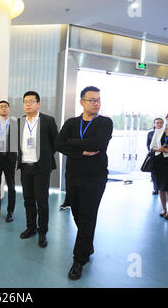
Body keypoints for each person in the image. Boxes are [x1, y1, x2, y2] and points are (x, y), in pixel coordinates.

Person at [55, 86, 113, 280]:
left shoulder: (105, 122)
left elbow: (99, 144)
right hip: (73, 175)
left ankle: (79, 260)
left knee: (88, 216)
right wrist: (81, 151)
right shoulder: (72, 122)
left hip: (95, 177)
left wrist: (72, 142)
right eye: (92, 100)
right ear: (82, 102)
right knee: (77, 214)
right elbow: (58, 144)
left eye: (98, 100)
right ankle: (87, 245)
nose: (96, 103)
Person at [17, 91, 58, 248]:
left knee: (42, 201)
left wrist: (45, 157)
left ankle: (43, 232)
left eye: (31, 101)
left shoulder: (47, 120)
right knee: (28, 200)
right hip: (25, 167)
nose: (28, 104)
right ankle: (31, 228)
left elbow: (55, 143)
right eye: (25, 101)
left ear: (38, 104)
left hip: (41, 168)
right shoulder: (20, 122)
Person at [0, 100, 18, 222]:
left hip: (9, 159)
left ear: (9, 109)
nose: (4, 108)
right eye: (1, 107)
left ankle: (10, 212)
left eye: (6, 106)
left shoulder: (15, 124)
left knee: (11, 186)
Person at [147, 118, 164, 195]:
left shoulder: (165, 133)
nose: (159, 124)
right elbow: (148, 144)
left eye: (160, 123)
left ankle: (162, 189)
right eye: (157, 123)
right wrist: (152, 150)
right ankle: (156, 189)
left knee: (162, 173)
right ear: (154, 124)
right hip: (154, 156)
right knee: (154, 173)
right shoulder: (150, 133)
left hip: (164, 156)